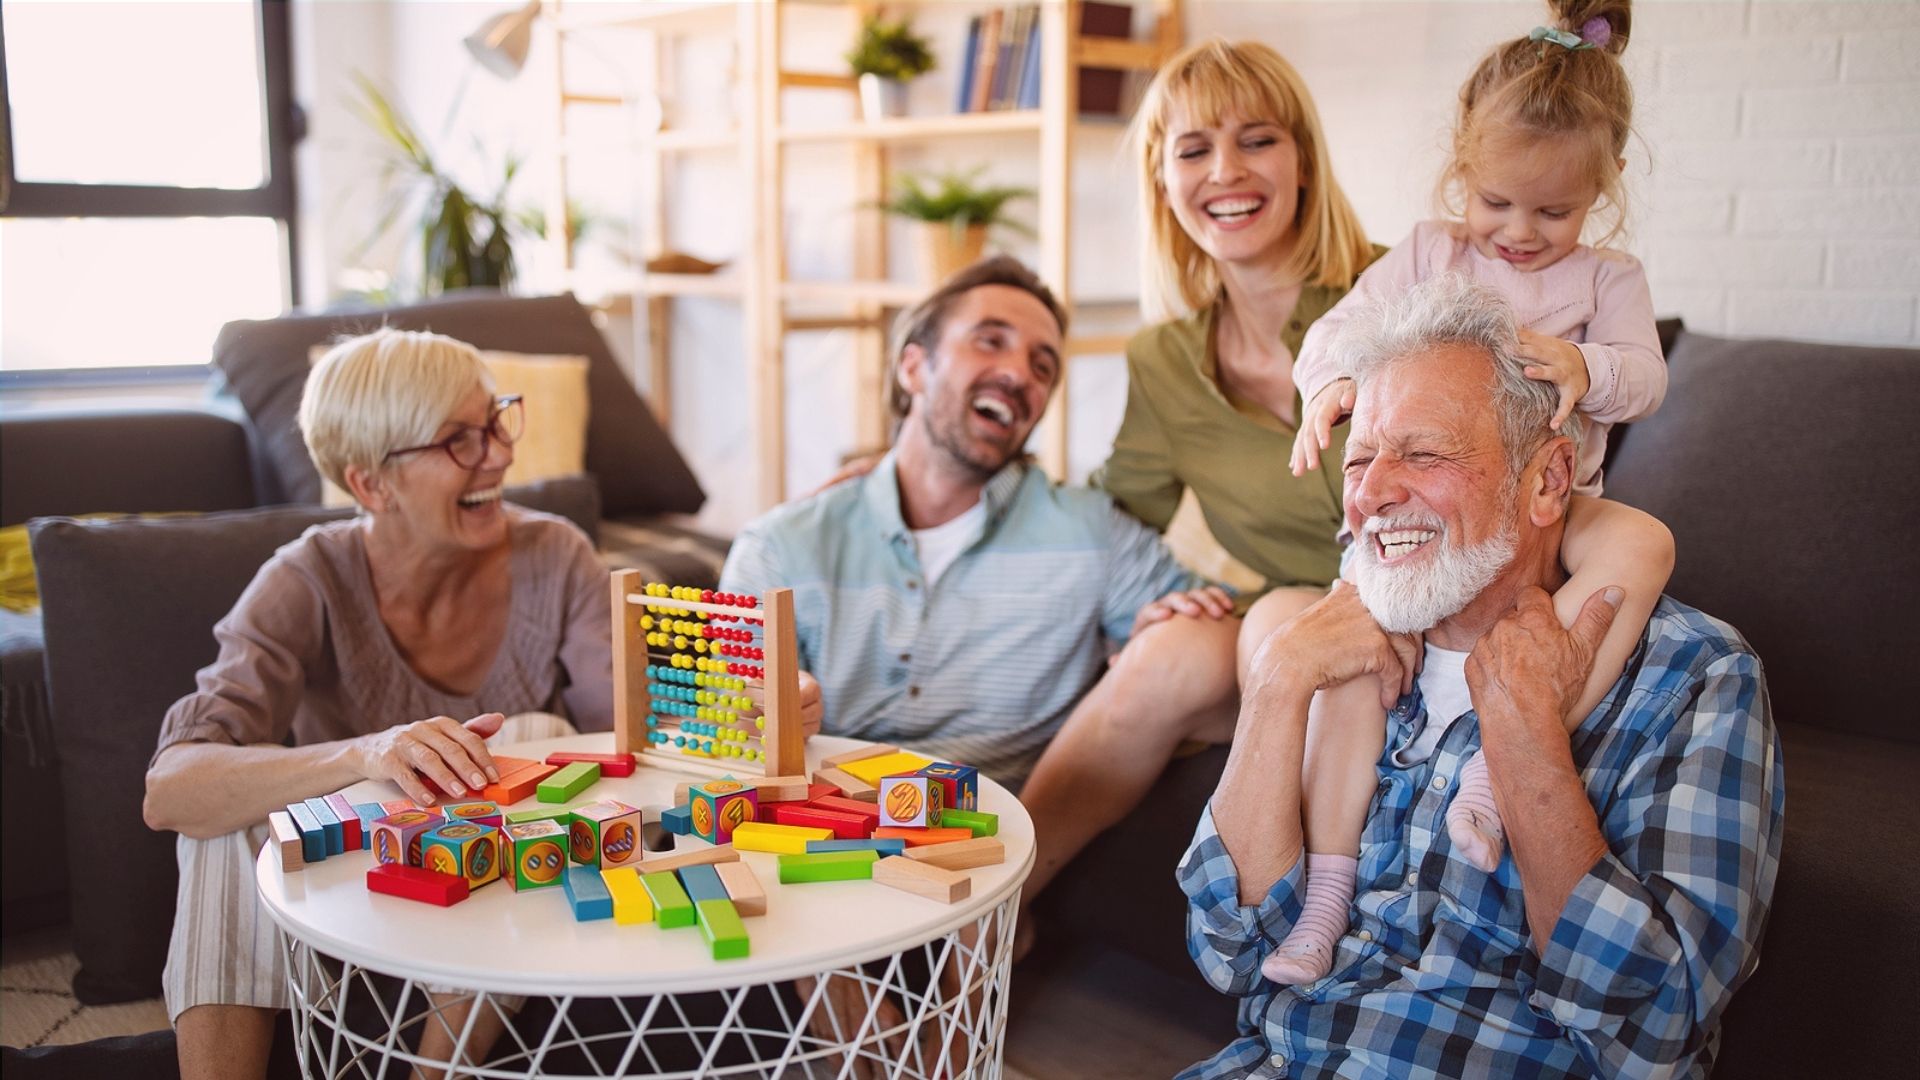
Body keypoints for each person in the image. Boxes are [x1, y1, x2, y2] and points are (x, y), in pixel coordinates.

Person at [1181, 273, 1781, 1079]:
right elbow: (1229, 950)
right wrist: (1277, 682)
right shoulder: (1340, 651)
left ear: (1548, 481)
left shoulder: (1695, 677)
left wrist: (1527, 734)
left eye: (1424, 453)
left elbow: (1657, 1029)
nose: (1374, 493)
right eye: (1359, 459)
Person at [1267, 0, 1674, 984]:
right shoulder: (1428, 254)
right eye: (1496, 202)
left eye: (1554, 211)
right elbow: (1339, 331)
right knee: (1357, 667)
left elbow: (1647, 377)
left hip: (1554, 505)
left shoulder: (1607, 278)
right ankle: (1324, 898)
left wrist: (1584, 368)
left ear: (1602, 188)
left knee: (1645, 545)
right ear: (1462, 175)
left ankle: (1499, 770)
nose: (1520, 232)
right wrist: (1327, 388)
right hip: (1426, 521)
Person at [142, 328, 615, 1080]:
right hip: (348, 888)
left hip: (491, 906)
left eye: (496, 421)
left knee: (534, 734)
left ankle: (433, 1072)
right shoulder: (306, 578)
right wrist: (366, 752)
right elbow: (170, 791)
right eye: (459, 440)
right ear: (371, 486)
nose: (498, 454)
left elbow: (632, 733)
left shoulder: (558, 554)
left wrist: (759, 704)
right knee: (214, 830)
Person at [1016, 38, 1379, 909]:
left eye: (1257, 139)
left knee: (1282, 636)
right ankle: (988, 921)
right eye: (1192, 149)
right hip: (1291, 615)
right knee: (1166, 651)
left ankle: (1285, 932)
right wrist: (915, 470)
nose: (1226, 171)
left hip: (1423, 602)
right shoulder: (1165, 362)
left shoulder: (1400, 290)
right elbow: (1110, 511)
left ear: (1301, 162)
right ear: (1162, 182)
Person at [719, 254, 1226, 787]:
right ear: (912, 367)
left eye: (1043, 366)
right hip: (810, 845)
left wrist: (1159, 642)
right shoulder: (779, 547)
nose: (1017, 373)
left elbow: (1222, 655)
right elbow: (724, 720)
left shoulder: (1094, 535)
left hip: (1001, 851)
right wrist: (764, 710)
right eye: (990, 340)